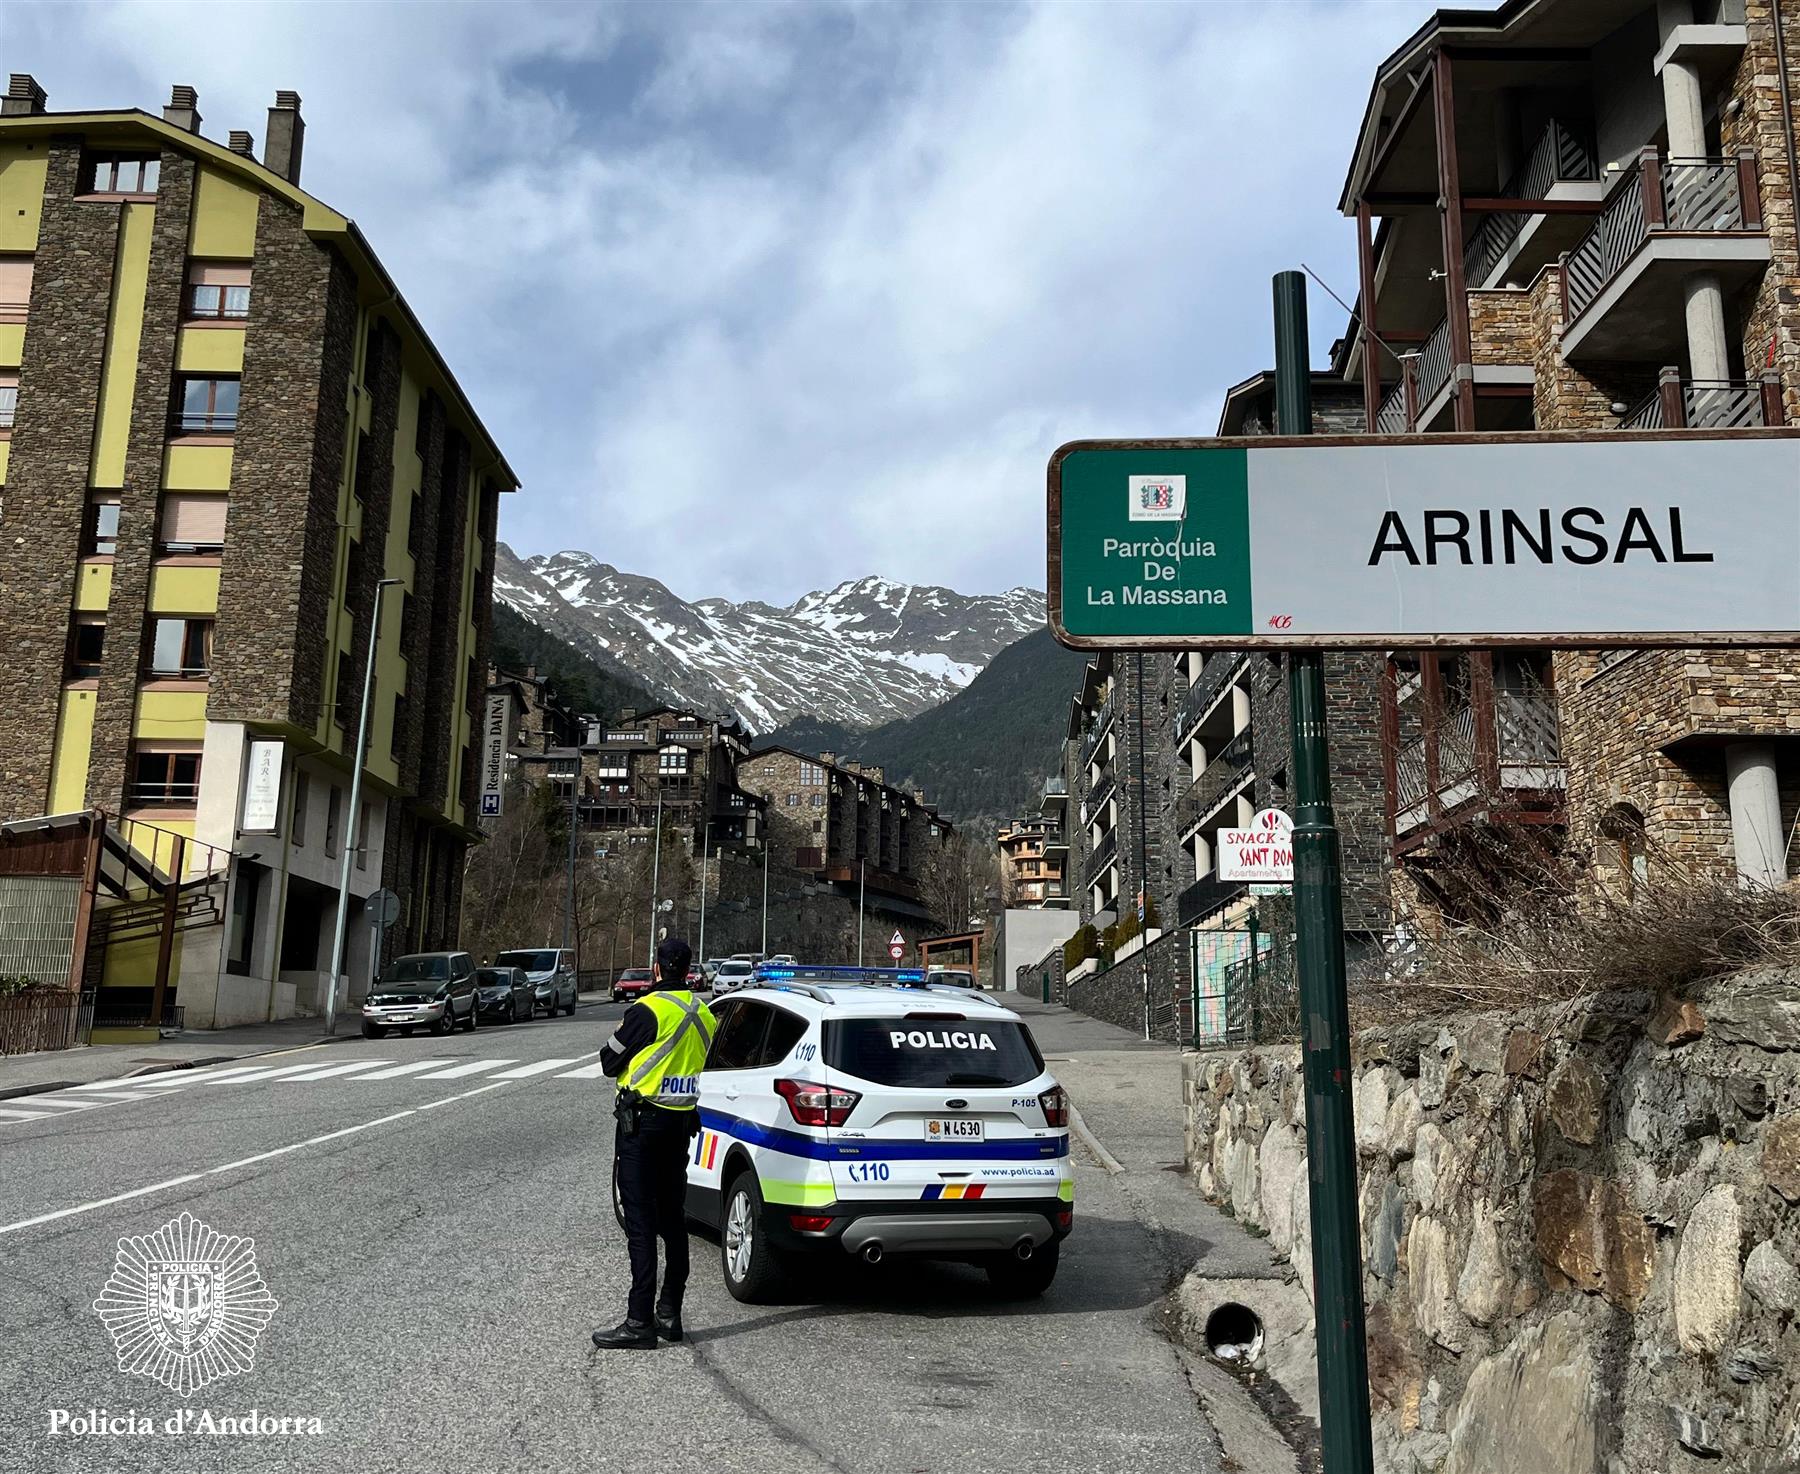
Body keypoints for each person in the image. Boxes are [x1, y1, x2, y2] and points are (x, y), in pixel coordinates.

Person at [592, 936, 717, 1350]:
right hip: (681, 1125)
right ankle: (670, 1312)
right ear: (689, 970)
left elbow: (609, 1062)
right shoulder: (705, 1015)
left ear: (658, 969)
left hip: (642, 1126)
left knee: (641, 1224)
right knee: (673, 1220)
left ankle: (639, 1320)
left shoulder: (646, 1011)